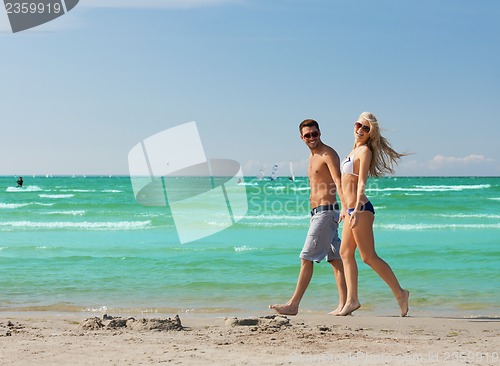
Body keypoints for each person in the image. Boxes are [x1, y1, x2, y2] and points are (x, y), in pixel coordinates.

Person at [269, 119, 347, 315]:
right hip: (318, 214)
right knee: (335, 259)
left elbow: (338, 181)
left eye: (315, 133)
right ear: (301, 138)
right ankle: (346, 305)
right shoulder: (312, 157)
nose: (312, 138)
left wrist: (345, 206)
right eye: (308, 135)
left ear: (320, 132)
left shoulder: (327, 154)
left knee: (306, 258)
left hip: (326, 212)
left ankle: (293, 305)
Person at [338, 112, 409, 317]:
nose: (360, 129)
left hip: (361, 209)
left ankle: (400, 293)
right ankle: (352, 300)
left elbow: (361, 182)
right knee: (345, 253)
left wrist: (357, 209)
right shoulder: (353, 150)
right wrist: (345, 207)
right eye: (358, 124)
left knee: (368, 256)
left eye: (365, 128)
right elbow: (345, 183)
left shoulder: (365, 151)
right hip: (351, 209)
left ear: (371, 133)